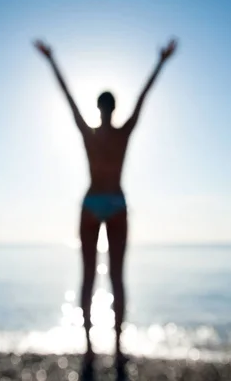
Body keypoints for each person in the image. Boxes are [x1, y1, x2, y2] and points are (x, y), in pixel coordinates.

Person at [34, 38, 177, 371]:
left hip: (96, 201)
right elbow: (143, 97)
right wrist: (160, 62)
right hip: (113, 201)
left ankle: (91, 349)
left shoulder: (90, 132)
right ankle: (114, 348)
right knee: (115, 278)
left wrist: (52, 60)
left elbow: (68, 98)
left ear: (99, 107)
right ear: (112, 108)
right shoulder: (122, 132)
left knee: (89, 278)